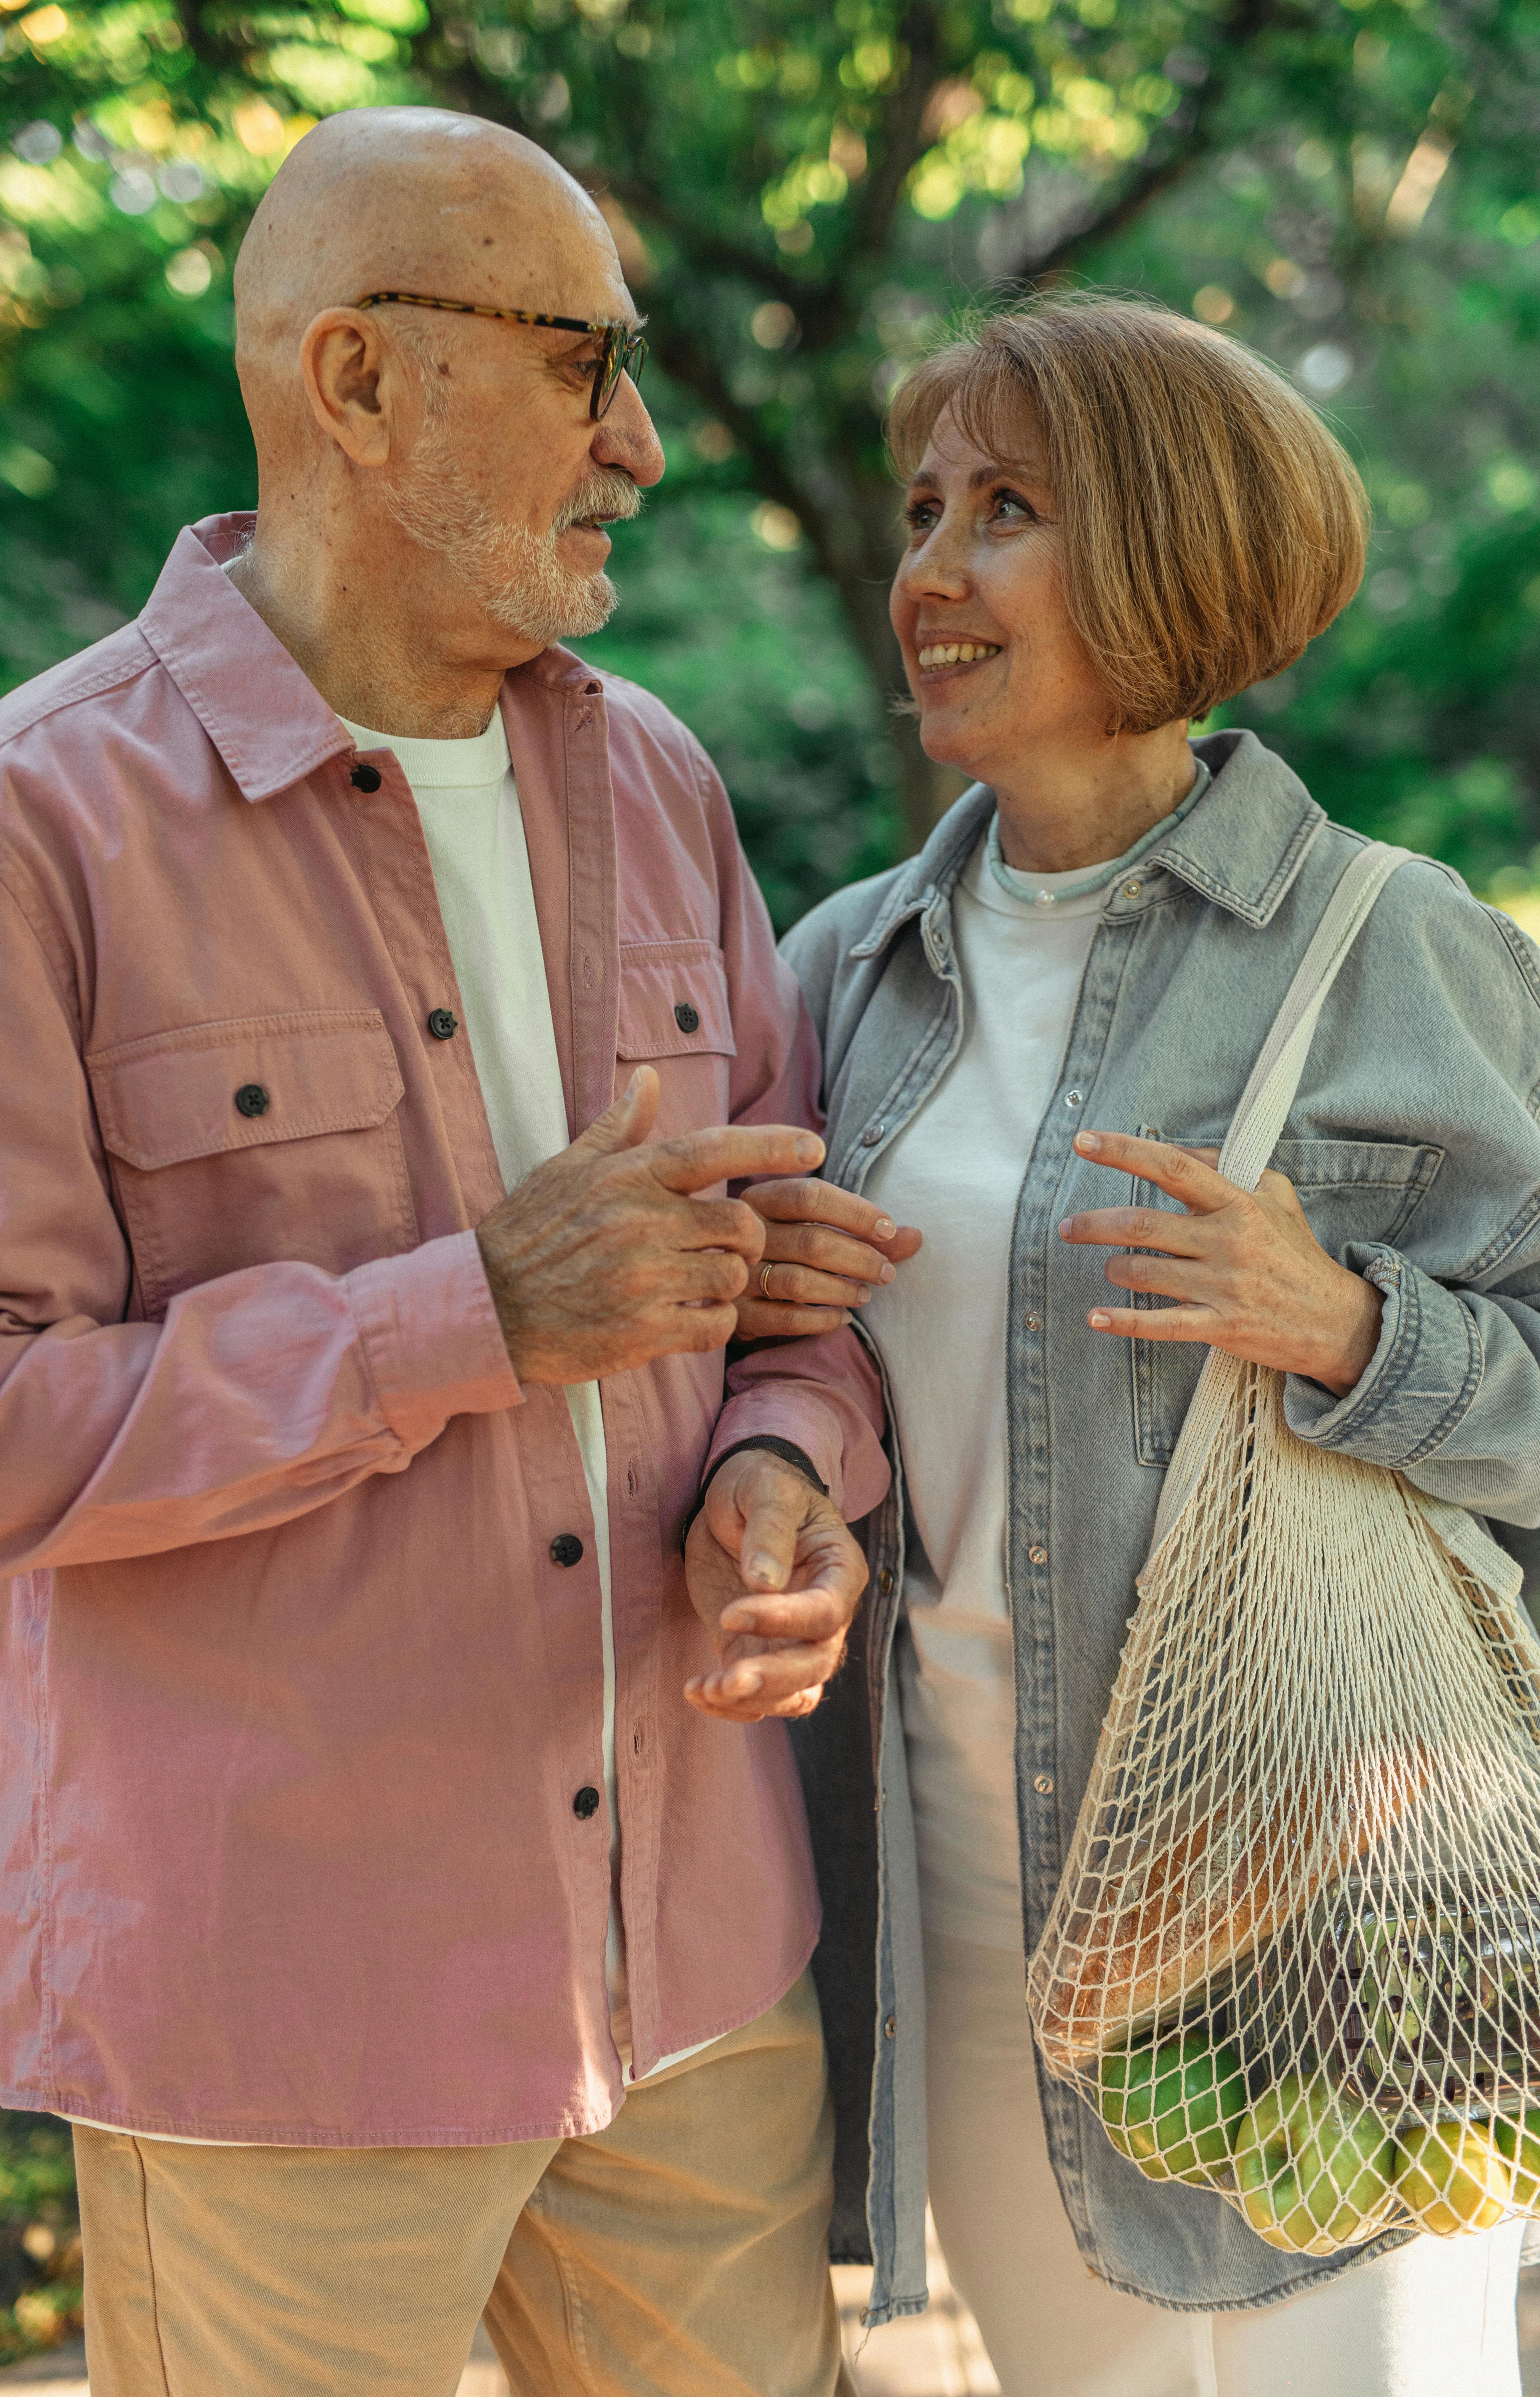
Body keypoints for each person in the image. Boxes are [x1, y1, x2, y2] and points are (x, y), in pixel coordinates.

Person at [0, 105, 913, 2397]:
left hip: (690, 1994)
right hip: (284, 2022)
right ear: (358, 380)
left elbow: (794, 1290)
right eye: (583, 362)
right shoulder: (26, 828)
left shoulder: (660, 778)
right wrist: (462, 1318)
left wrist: (790, 1473)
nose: (645, 445)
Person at [768, 296, 1540, 2394]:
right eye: (926, 507)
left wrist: (1354, 1324)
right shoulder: (841, 971)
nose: (932, 567)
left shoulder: (1401, 951)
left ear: (1176, 552)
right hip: (968, 1899)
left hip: (1332, 1904)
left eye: (1008, 509)